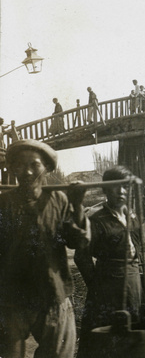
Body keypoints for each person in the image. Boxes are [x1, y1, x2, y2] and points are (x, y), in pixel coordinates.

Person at [0, 139, 90, 358]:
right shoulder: (3, 204)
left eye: (35, 164)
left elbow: (78, 241)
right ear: (11, 168)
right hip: (13, 298)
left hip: (53, 294)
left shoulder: (58, 200)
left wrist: (77, 204)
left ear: (47, 168)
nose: (28, 172)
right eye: (20, 165)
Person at [74, 166, 143, 357]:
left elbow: (137, 251)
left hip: (133, 284)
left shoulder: (134, 218)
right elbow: (81, 255)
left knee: (131, 334)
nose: (121, 192)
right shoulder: (97, 219)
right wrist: (96, 286)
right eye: (114, 187)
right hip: (107, 288)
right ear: (105, 190)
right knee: (104, 338)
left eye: (124, 186)